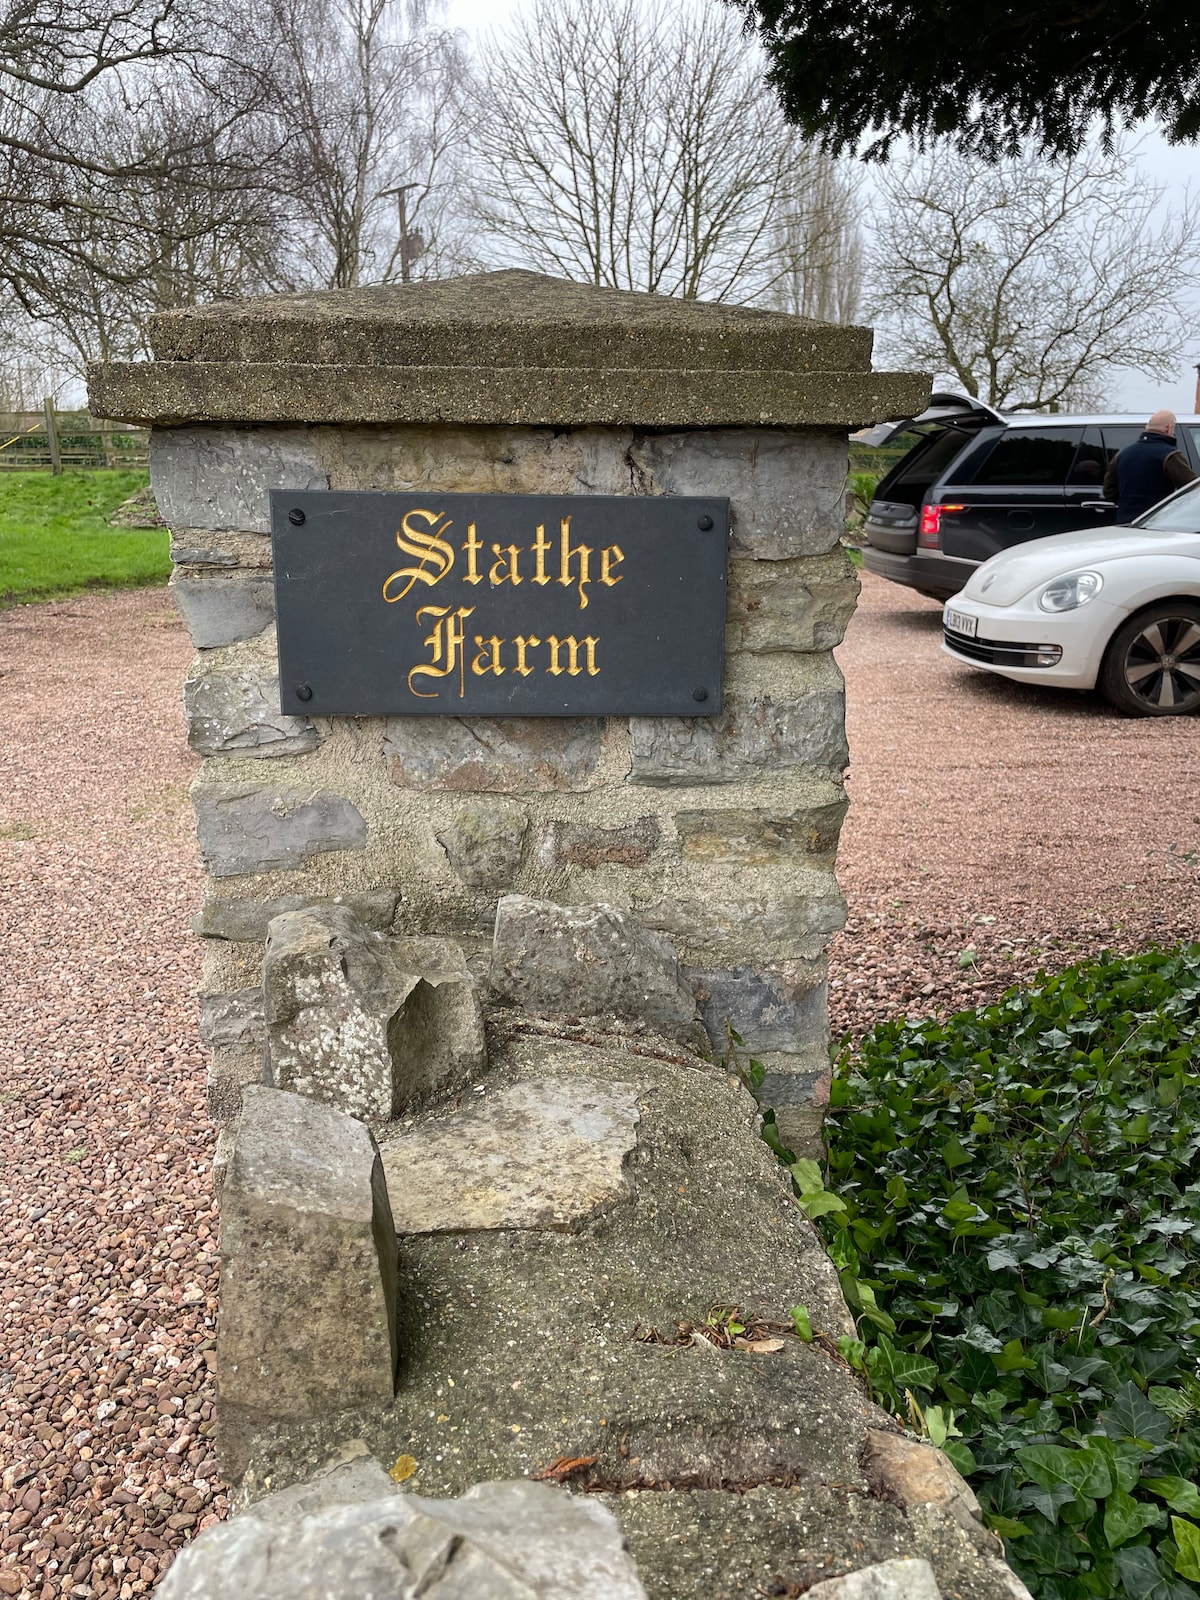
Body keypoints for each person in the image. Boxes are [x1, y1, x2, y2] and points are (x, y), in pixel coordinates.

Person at [1103, 410, 1196, 523]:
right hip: (1158, 524)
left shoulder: (1122, 454)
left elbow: (1108, 491)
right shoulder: (1170, 456)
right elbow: (1193, 491)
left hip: (1126, 523)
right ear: (1169, 428)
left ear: (1147, 428)